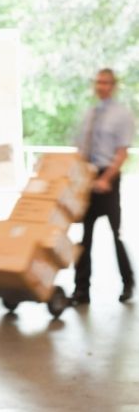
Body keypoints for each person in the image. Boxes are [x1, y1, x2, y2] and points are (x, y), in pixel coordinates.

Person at [72, 68, 135, 305]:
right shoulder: (90, 113)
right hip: (88, 179)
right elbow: (81, 148)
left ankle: (128, 283)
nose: (101, 86)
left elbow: (121, 153)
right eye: (98, 82)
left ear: (114, 85)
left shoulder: (121, 114)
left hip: (107, 180)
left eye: (106, 83)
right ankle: (81, 289)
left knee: (115, 235)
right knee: (84, 237)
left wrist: (106, 179)